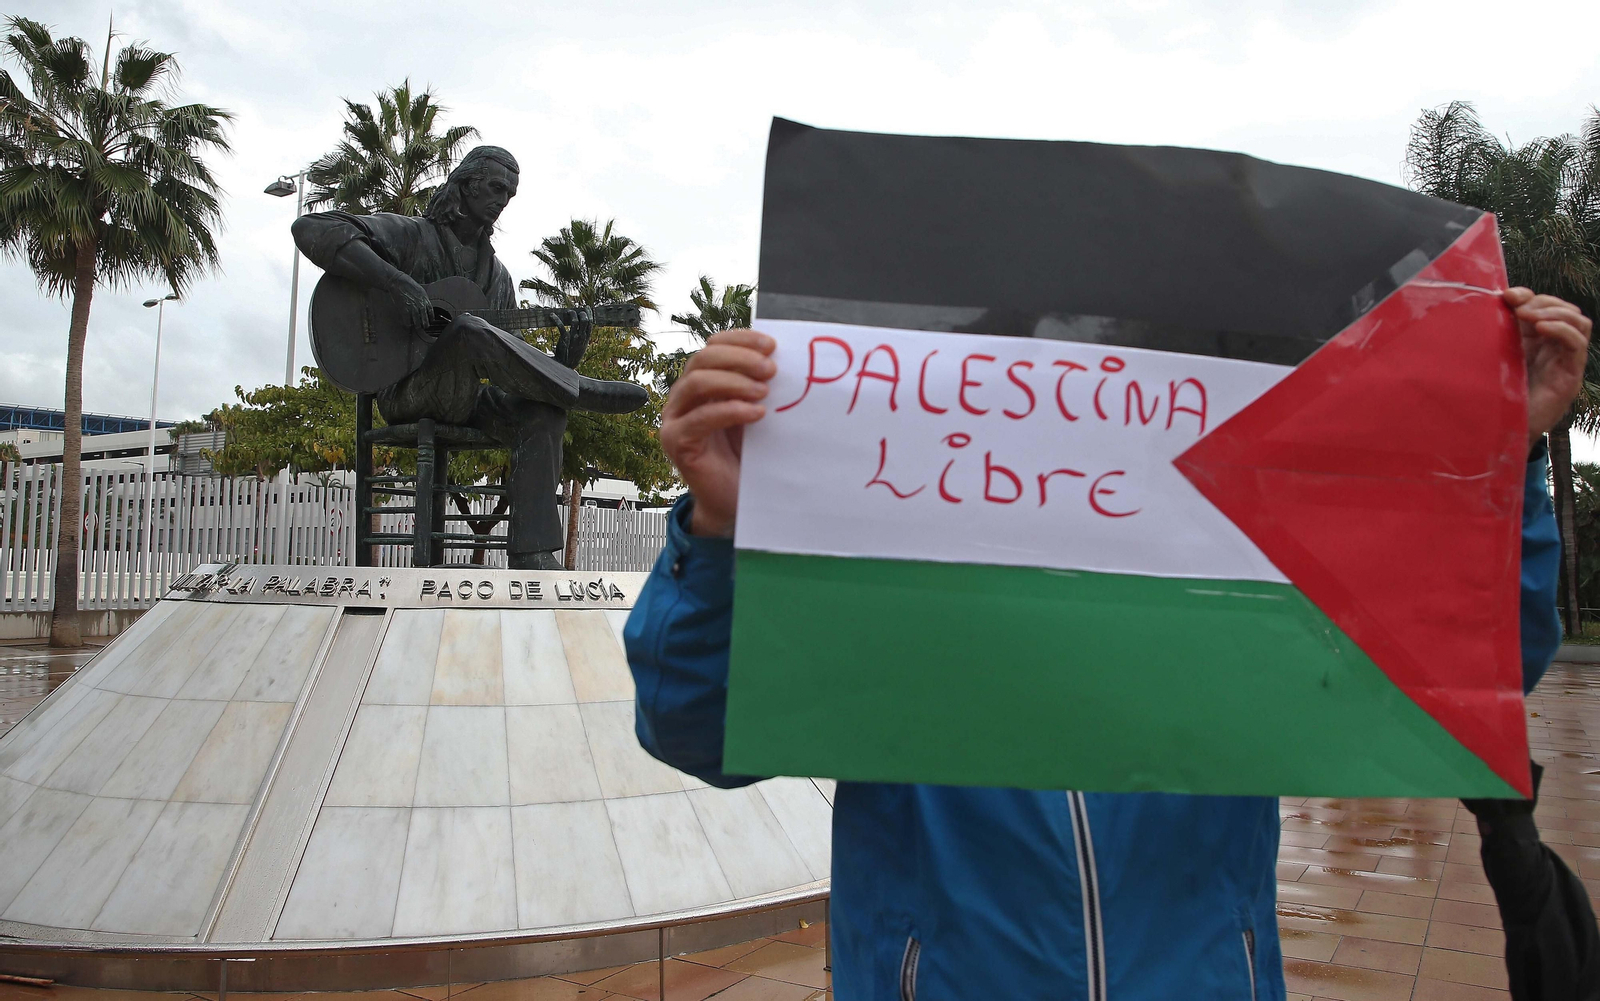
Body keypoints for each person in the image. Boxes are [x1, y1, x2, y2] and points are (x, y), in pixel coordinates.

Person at [623, 287, 1592, 998]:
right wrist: (718, 533)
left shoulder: (1237, 600)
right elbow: (695, 733)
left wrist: (1496, 458)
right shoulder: (894, 598)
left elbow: (1477, 664)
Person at [292, 145, 645, 569]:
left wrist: (563, 359)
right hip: (407, 393)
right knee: (468, 329)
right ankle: (577, 390)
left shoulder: (497, 277)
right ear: (466, 183)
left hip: (466, 399)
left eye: (510, 194)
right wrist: (396, 282)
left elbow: (507, 371)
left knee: (543, 412)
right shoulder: (411, 235)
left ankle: (533, 553)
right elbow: (311, 228)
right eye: (496, 187)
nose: (502, 201)